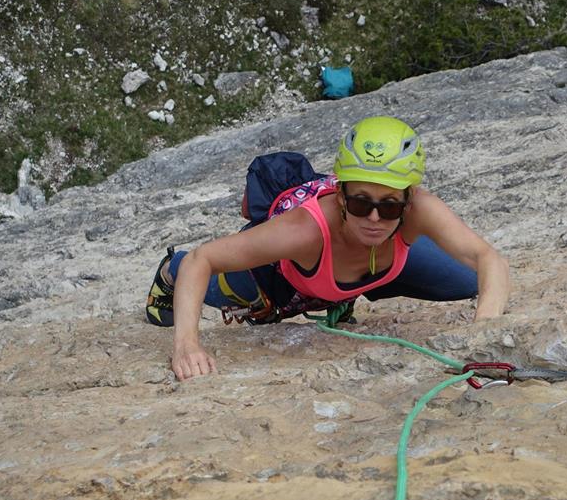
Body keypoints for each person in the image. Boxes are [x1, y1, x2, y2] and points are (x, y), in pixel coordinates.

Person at [145, 116, 510, 381]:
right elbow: (203, 259)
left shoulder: (419, 209)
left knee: (467, 281)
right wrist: (186, 345)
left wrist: (483, 333)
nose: (374, 218)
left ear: (408, 200)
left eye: (389, 207)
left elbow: (488, 259)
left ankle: (351, 290)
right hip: (276, 280)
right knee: (215, 282)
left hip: (354, 269)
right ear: (341, 195)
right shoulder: (303, 231)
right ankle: (168, 270)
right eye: (360, 203)